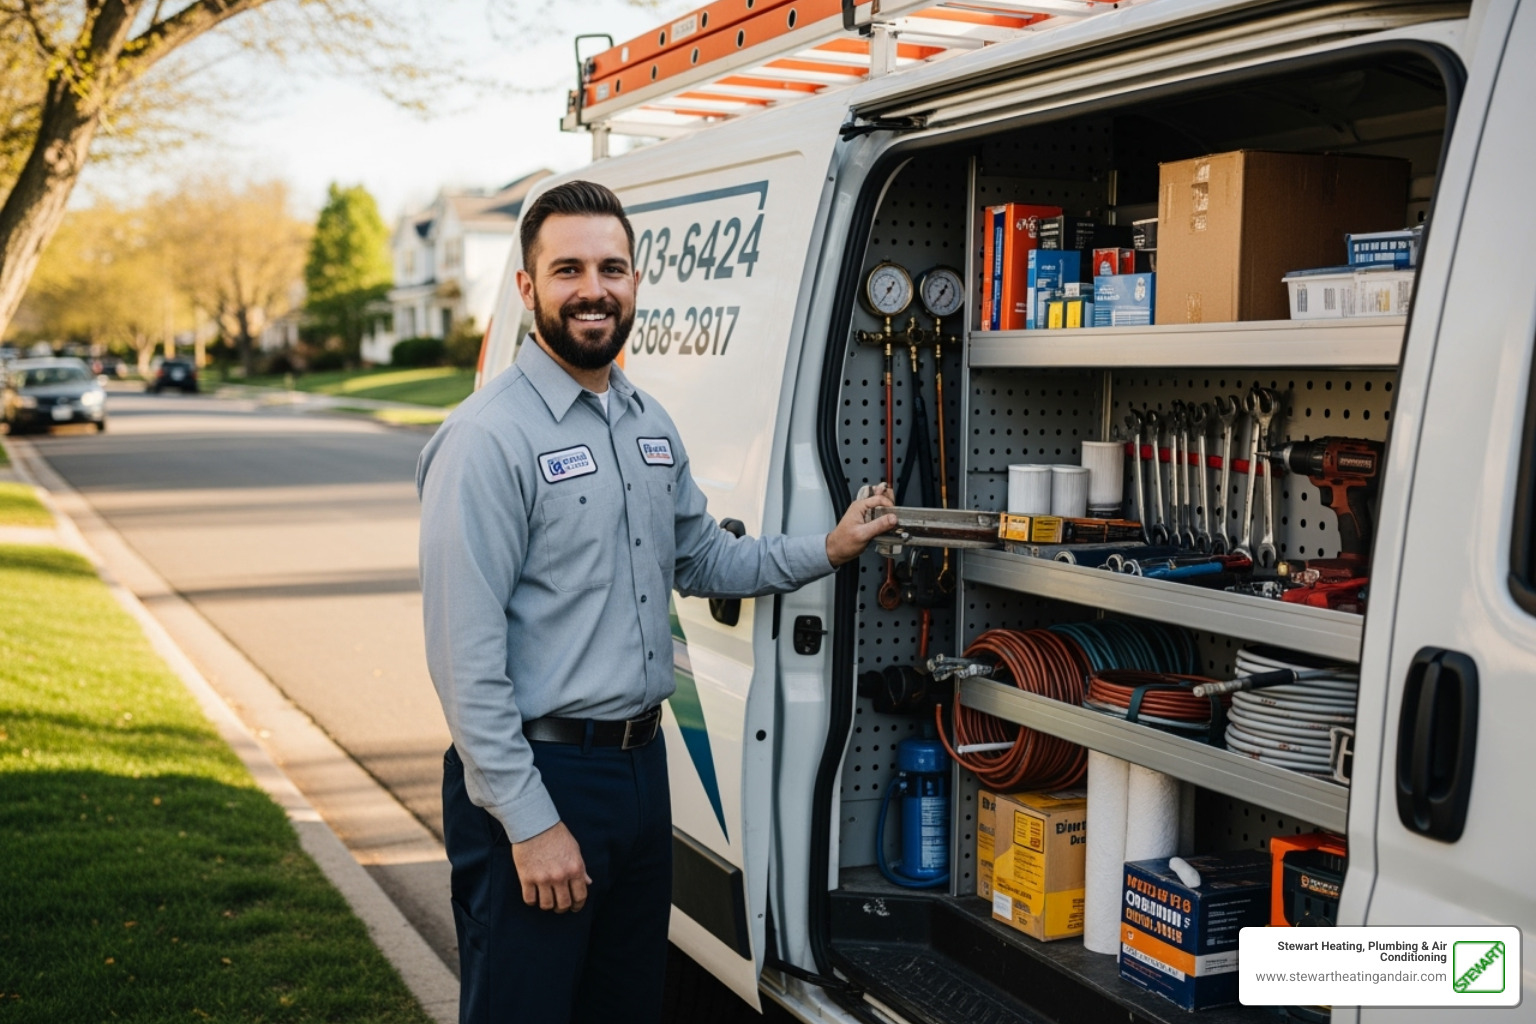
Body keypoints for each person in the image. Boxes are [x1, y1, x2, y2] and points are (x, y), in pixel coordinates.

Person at [416, 179, 895, 1024]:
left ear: (636, 283)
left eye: (613, 267)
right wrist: (530, 825)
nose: (593, 289)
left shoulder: (644, 422)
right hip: (539, 775)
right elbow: (465, 663)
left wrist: (829, 547)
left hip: (641, 772)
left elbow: (704, 558)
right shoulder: (487, 439)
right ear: (528, 289)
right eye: (568, 269)